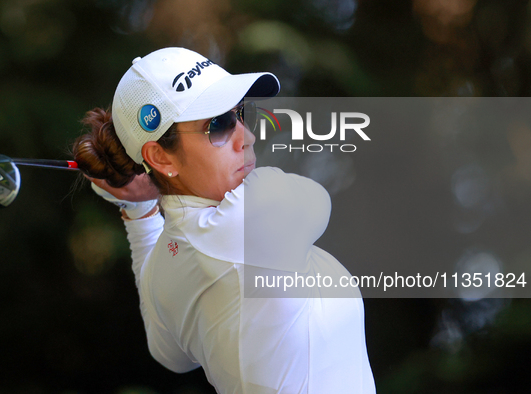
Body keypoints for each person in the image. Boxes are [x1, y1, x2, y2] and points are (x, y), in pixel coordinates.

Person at [72, 47, 375, 393]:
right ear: (158, 156)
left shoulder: (161, 269)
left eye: (240, 114)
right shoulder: (259, 208)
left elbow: (169, 355)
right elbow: (318, 200)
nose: (247, 137)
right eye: (217, 125)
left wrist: (141, 212)